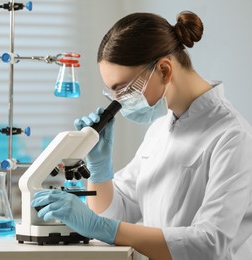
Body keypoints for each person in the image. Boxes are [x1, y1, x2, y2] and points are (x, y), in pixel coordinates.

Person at [31, 10, 252, 260]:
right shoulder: (160, 128)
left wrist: (98, 227)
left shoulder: (232, 136)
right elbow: (117, 214)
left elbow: (210, 243)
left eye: (124, 89)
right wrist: (100, 171)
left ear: (165, 70)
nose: (120, 102)